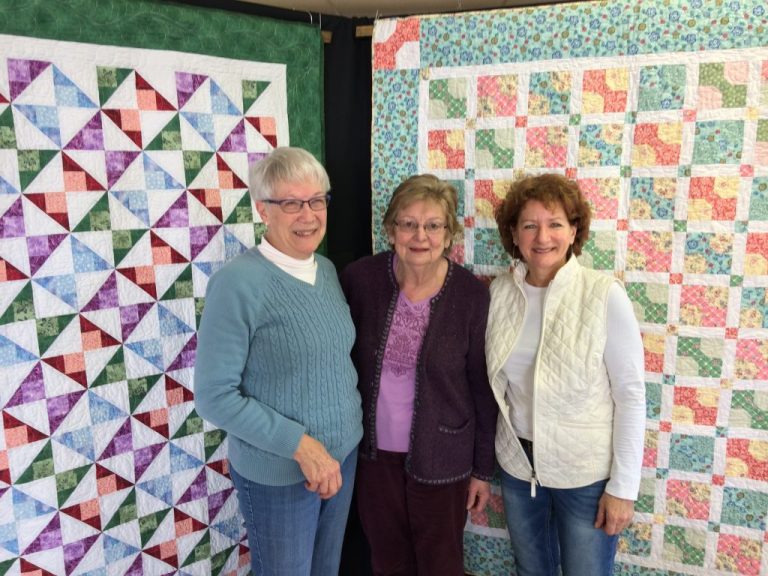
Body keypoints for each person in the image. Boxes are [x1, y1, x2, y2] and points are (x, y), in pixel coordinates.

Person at [194, 147, 363, 576]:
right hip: (281, 473)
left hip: (342, 456)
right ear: (262, 210)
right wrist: (302, 447)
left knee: (326, 569)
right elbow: (214, 397)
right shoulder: (237, 283)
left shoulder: (325, 270)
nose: (308, 214)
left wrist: (335, 446)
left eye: (317, 200)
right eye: (290, 203)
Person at [485, 173, 646, 576]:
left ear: (574, 231)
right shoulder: (497, 294)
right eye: (530, 225)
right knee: (530, 570)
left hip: (585, 475)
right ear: (514, 234)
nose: (543, 237)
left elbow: (630, 394)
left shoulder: (604, 294)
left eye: (555, 223)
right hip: (519, 467)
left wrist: (623, 488)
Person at [340, 174, 498, 576]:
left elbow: (482, 388)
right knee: (388, 561)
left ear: (449, 235)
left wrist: (482, 470)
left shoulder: (471, 295)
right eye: (408, 223)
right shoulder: (360, 279)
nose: (420, 236)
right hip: (374, 456)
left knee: (441, 564)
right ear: (391, 230)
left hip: (444, 457)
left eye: (433, 225)